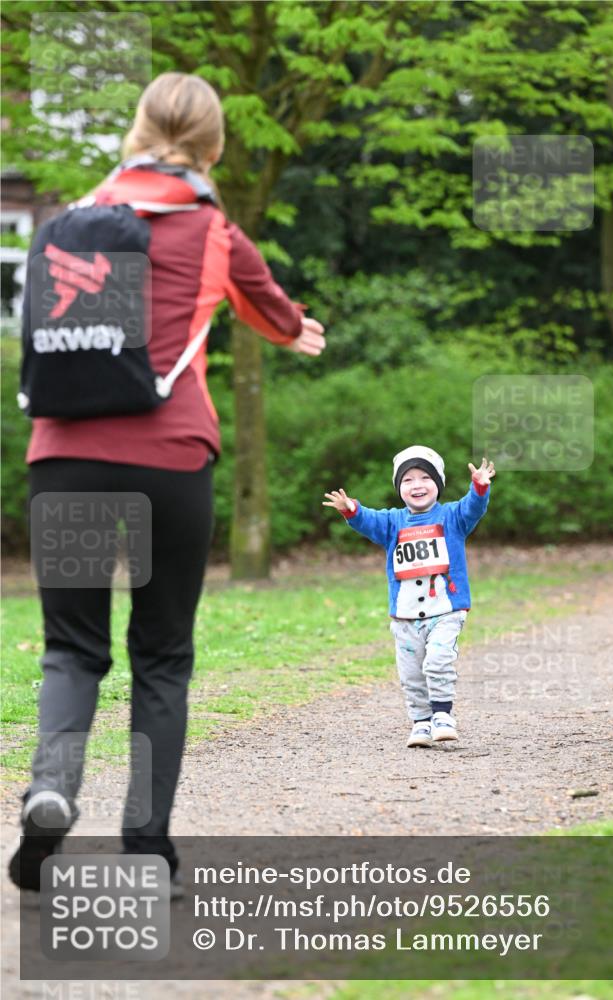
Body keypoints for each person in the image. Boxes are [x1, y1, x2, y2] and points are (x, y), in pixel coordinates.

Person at [9, 72, 326, 893]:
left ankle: (50, 795)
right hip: (169, 462)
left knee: (72, 650)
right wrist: (294, 335)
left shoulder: (73, 220)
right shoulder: (211, 229)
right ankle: (146, 843)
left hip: (66, 460)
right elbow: (274, 314)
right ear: (214, 148)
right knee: (161, 657)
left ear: (135, 132)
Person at [323, 446, 494, 748]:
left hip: (446, 609)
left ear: (437, 484)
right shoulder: (393, 523)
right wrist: (350, 509)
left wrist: (479, 487)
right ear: (399, 488)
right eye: (408, 480)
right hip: (404, 616)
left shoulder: (452, 517)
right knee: (411, 674)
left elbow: (473, 508)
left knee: (439, 661)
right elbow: (368, 520)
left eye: (425, 477)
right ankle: (421, 723)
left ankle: (443, 716)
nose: (417, 485)